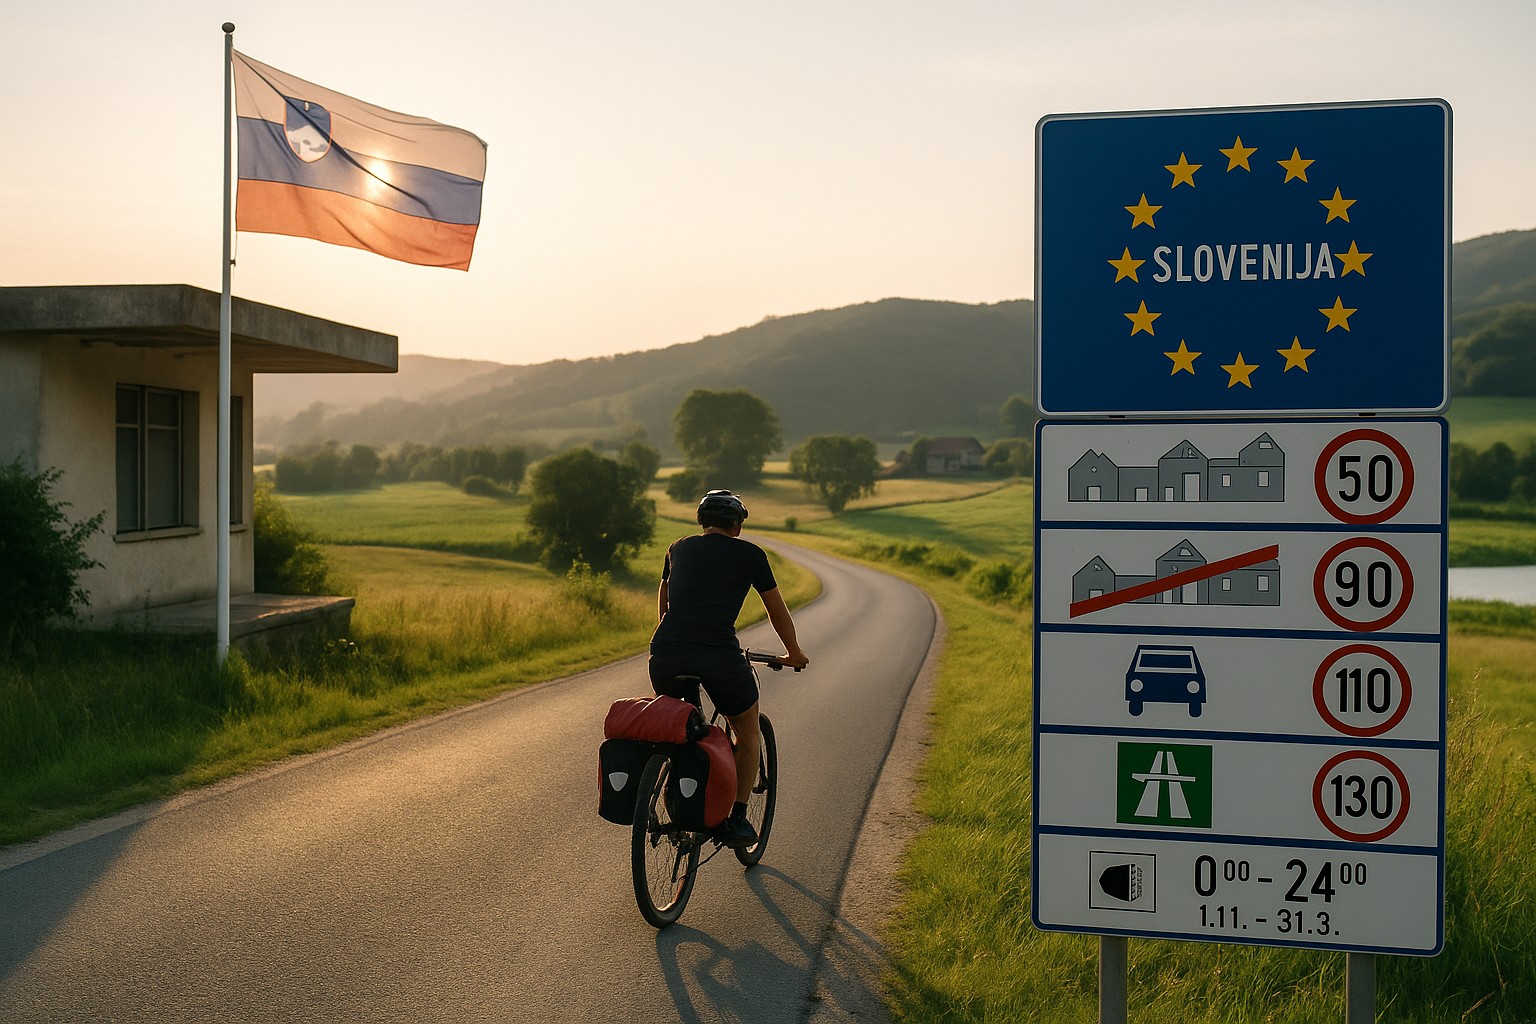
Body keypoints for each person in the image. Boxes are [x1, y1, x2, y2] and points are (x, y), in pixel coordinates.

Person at [649, 489, 809, 848]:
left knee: (680, 728)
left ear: (701, 522)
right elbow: (776, 610)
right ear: (737, 525)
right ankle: (736, 818)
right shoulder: (751, 554)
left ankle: (672, 796)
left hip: (666, 652)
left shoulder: (678, 547)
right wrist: (793, 652)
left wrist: (671, 636)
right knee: (748, 731)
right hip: (718, 656)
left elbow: (665, 598)